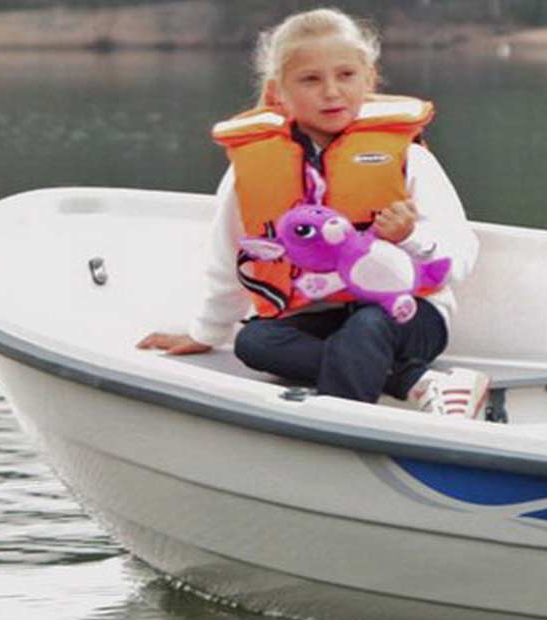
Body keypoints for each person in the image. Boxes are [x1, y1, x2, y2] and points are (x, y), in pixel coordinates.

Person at [137, 8, 487, 418]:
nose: (331, 92)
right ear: (278, 93)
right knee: (255, 342)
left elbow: (460, 256)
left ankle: (339, 430)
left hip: (406, 315)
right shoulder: (249, 170)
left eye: (346, 75)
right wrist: (206, 333)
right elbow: (230, 260)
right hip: (314, 315)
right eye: (310, 79)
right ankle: (416, 382)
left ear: (368, 80)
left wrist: (409, 237)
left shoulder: (410, 159)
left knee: (366, 328)